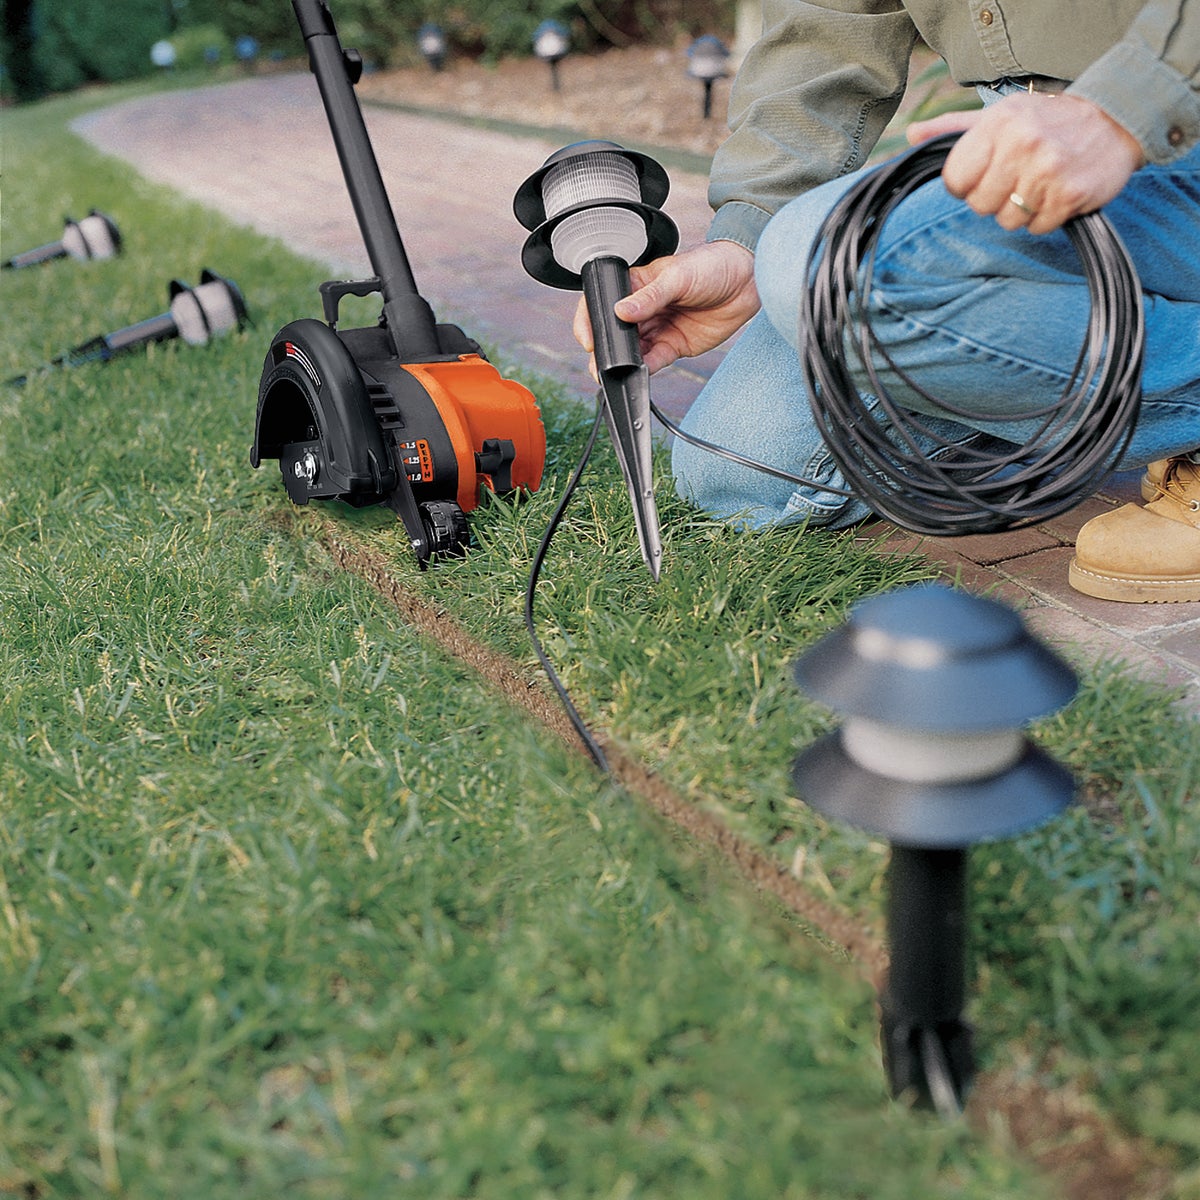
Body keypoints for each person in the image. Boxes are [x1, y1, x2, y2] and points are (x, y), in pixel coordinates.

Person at [573, 2, 1200, 603]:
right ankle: (1109, 385)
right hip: (1009, 138)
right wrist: (746, 243)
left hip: (1172, 117)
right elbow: (825, 29)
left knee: (819, 266)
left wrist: (1123, 107)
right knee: (736, 474)